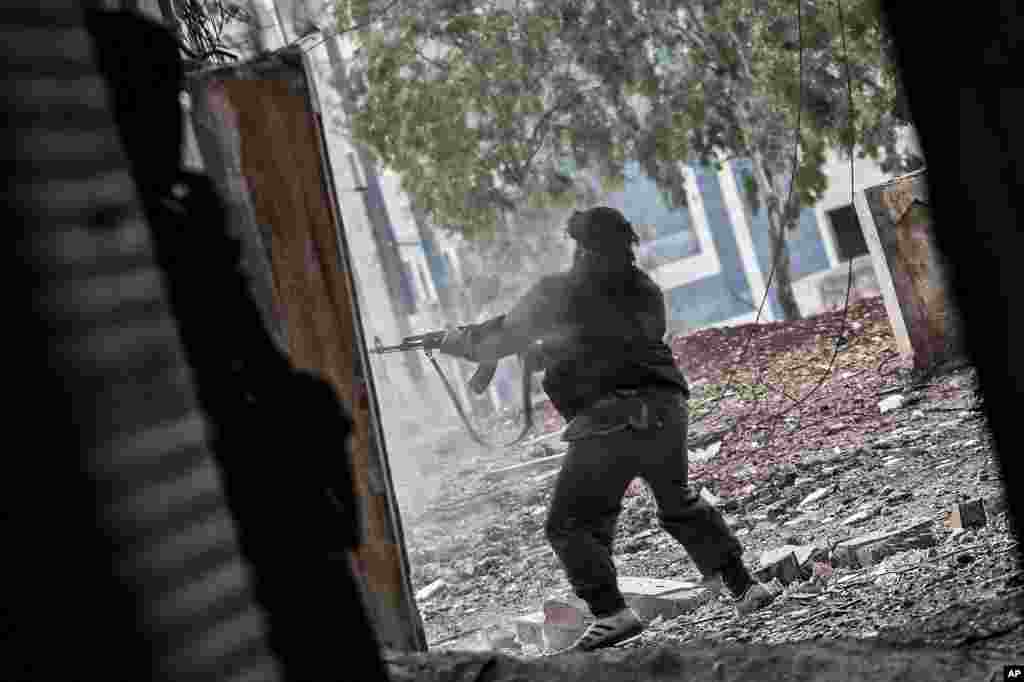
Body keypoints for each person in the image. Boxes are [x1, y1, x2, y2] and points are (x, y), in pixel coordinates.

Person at [439, 207, 776, 651]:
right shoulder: (645, 289)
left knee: (569, 524)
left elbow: (504, 337)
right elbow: (615, 339)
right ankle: (745, 586)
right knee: (678, 503)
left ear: (582, 248)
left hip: (611, 421)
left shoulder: (559, 290)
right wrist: (553, 351)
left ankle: (611, 612)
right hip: (666, 410)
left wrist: (459, 342)